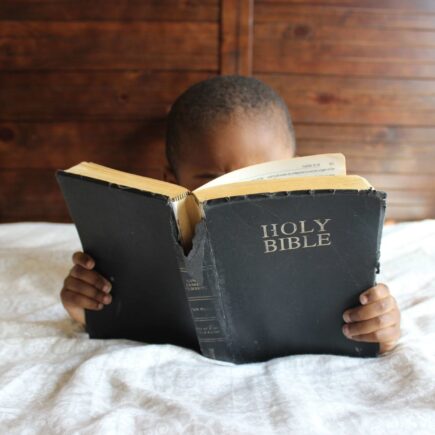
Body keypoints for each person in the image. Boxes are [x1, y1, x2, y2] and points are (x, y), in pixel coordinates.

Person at [60, 76, 401, 354]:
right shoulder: (144, 247)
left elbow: (369, 323)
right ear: (171, 181)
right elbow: (113, 314)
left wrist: (378, 327)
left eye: (265, 177)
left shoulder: (326, 241)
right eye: (213, 181)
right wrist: (87, 306)